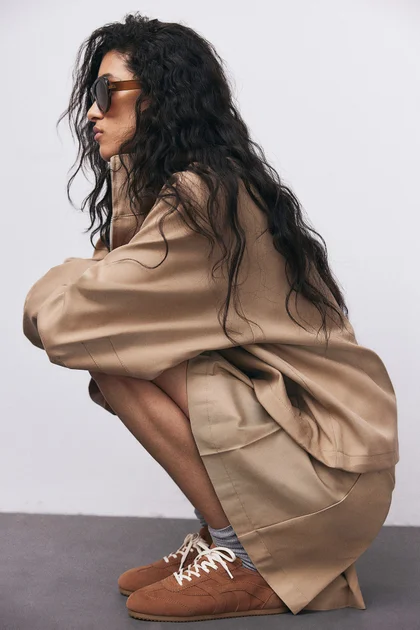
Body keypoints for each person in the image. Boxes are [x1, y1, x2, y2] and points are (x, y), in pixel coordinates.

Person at [22, 12, 399, 623]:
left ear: (158, 98)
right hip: (309, 444)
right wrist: (109, 228)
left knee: (115, 359)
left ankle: (247, 556)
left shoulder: (201, 198)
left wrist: (70, 279)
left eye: (106, 91)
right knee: (122, 352)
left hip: (327, 464)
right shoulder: (182, 185)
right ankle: (230, 536)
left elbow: (62, 323)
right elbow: (98, 306)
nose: (91, 111)